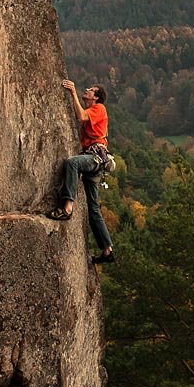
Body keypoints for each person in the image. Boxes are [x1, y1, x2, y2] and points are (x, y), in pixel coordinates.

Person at [49, 79, 114, 265]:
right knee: (93, 208)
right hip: (95, 159)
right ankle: (107, 251)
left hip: (95, 157)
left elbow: (81, 116)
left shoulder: (99, 108)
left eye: (91, 90)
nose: (87, 90)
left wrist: (72, 93)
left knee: (72, 163)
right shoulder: (94, 110)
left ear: (96, 97)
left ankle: (67, 207)